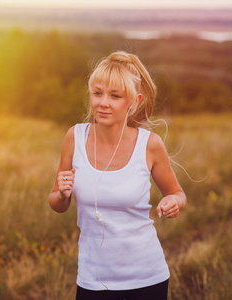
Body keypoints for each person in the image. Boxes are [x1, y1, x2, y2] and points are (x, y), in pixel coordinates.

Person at [48, 51, 187, 300]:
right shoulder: (74, 137)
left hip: (147, 278)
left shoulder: (150, 145)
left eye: (115, 96)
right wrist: (62, 193)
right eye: (97, 93)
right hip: (93, 280)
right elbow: (57, 204)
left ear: (134, 101)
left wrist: (174, 202)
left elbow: (177, 193)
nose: (103, 102)